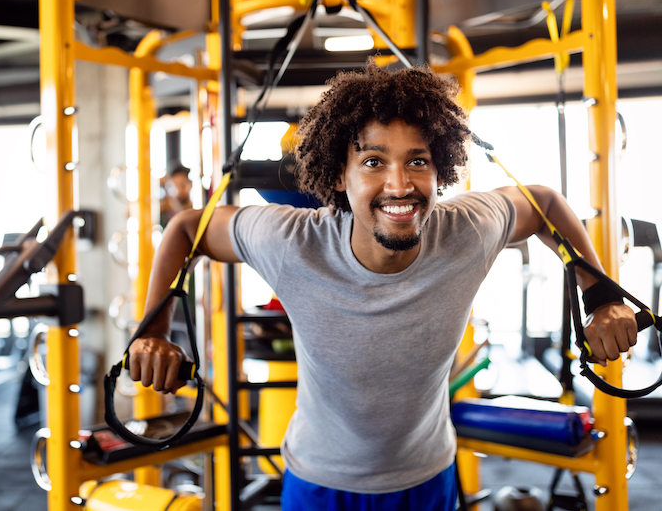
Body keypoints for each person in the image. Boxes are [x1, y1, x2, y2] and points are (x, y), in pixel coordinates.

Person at [128, 63, 637, 510]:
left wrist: (602, 296)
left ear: (439, 169)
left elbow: (543, 203)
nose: (399, 184)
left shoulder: (466, 230)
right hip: (319, 483)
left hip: (426, 478)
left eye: (417, 160)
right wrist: (153, 329)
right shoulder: (292, 241)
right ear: (338, 178)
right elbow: (185, 229)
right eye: (373, 162)